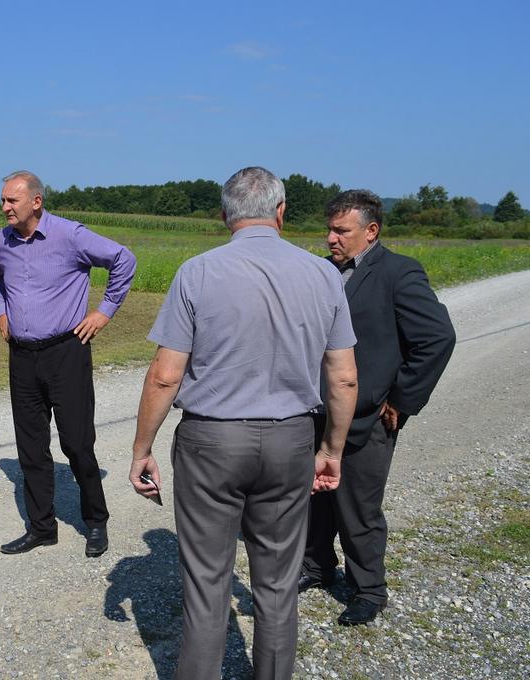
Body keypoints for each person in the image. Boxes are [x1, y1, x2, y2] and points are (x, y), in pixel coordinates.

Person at [129, 167, 359, 679]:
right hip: (291, 438)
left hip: (211, 441)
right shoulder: (323, 274)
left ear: (223, 215)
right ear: (281, 212)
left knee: (207, 583)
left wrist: (142, 448)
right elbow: (343, 378)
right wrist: (332, 449)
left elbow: (166, 375)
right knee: (277, 585)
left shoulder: (197, 272)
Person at [299, 190, 455, 625]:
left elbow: (437, 338)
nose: (330, 238)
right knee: (314, 498)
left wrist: (402, 398)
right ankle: (316, 566)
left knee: (358, 507)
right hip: (317, 408)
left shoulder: (398, 272)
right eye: (329, 230)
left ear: (371, 231)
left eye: (340, 231)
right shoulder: (323, 272)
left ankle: (368, 589)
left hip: (366, 416)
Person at [0, 170, 136, 558]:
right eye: (2, 200)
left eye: (12, 200)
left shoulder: (70, 235)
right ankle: (41, 527)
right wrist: (1, 312)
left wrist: (104, 312)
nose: (4, 207)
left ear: (36, 201)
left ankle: (96, 521)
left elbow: (123, 259)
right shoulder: (1, 242)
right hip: (22, 356)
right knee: (30, 447)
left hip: (66, 352)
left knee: (77, 442)